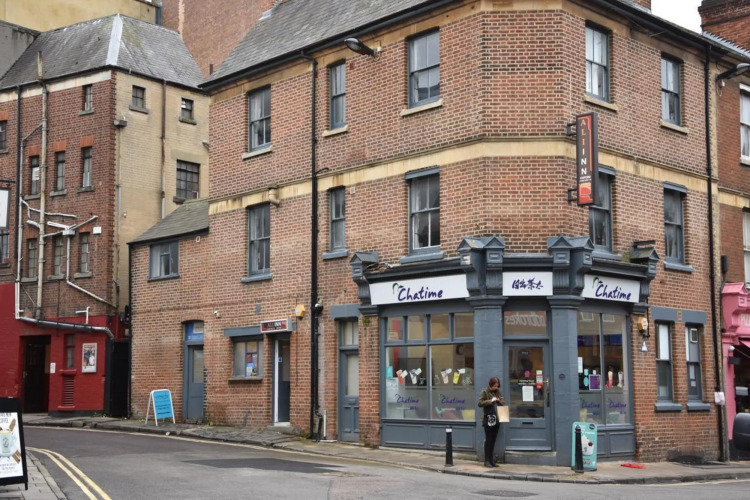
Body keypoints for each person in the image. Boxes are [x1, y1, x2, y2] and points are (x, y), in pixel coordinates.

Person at [478, 376, 504, 467]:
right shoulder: (485, 391)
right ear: (491, 384)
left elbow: (502, 404)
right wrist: (491, 401)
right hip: (488, 418)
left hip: (497, 418)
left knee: (493, 440)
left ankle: (491, 460)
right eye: (494, 386)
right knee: (488, 440)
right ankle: (487, 461)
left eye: (497, 386)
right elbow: (480, 403)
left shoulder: (498, 392)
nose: (496, 387)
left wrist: (500, 401)